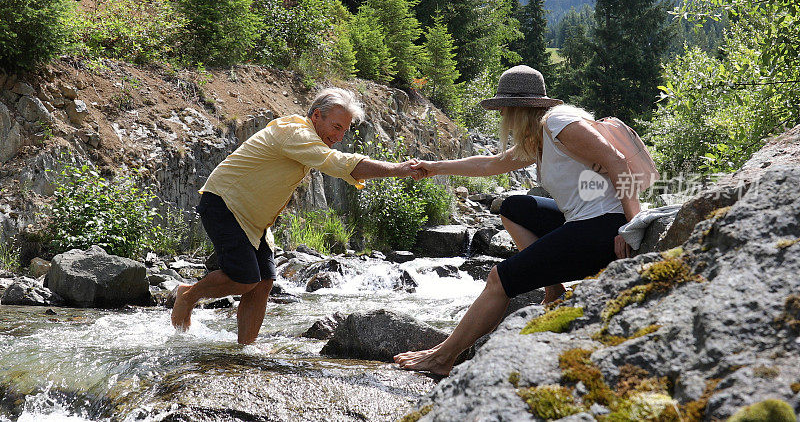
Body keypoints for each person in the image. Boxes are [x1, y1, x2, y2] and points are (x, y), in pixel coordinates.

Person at [394, 65, 640, 376]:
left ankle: (442, 358)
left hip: (604, 226)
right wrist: (435, 166)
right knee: (513, 207)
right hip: (583, 222)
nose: (502, 118)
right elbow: (491, 165)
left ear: (518, 109)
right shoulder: (540, 135)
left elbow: (618, 161)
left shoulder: (560, 123)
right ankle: (554, 291)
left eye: (504, 110)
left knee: (500, 278)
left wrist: (631, 227)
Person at [171, 87, 423, 344]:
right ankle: (188, 295)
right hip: (224, 203)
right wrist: (398, 169)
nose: (338, 137)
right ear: (316, 116)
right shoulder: (295, 132)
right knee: (245, 279)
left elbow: (337, 163)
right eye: (336, 127)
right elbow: (338, 163)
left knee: (264, 282)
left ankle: (245, 349)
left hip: (253, 220)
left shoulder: (308, 140)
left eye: (344, 131)